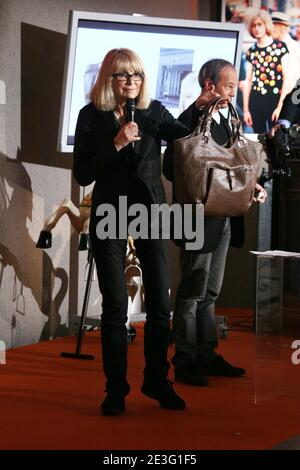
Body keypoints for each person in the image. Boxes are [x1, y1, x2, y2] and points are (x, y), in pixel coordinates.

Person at [73, 48, 189, 415]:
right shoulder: (90, 116)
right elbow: (83, 174)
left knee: (160, 302)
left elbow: (184, 135)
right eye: (124, 75)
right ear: (110, 78)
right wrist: (118, 142)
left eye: (137, 75)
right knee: (115, 306)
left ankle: (157, 380)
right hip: (110, 209)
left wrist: (201, 107)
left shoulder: (154, 111)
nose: (131, 82)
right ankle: (116, 389)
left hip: (151, 209)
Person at [163, 58, 267, 386]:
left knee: (210, 291)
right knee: (192, 292)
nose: (234, 92)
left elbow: (232, 167)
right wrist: (196, 109)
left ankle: (206, 354)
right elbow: (172, 167)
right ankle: (185, 360)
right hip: (196, 217)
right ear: (209, 85)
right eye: (229, 85)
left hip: (223, 219)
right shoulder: (191, 119)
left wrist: (253, 186)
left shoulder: (230, 122)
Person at [243, 9, 290, 133]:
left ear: (266, 25)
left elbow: (287, 79)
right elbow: (248, 81)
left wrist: (280, 106)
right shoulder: (251, 51)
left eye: (260, 24)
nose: (257, 28)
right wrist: (246, 110)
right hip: (256, 101)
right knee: (259, 140)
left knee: (277, 139)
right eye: (253, 25)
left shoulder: (280, 47)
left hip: (276, 100)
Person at [272, 11, 300, 94]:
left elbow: (291, 77)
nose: (270, 29)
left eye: (274, 26)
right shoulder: (275, 44)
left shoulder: (291, 46)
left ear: (282, 27)